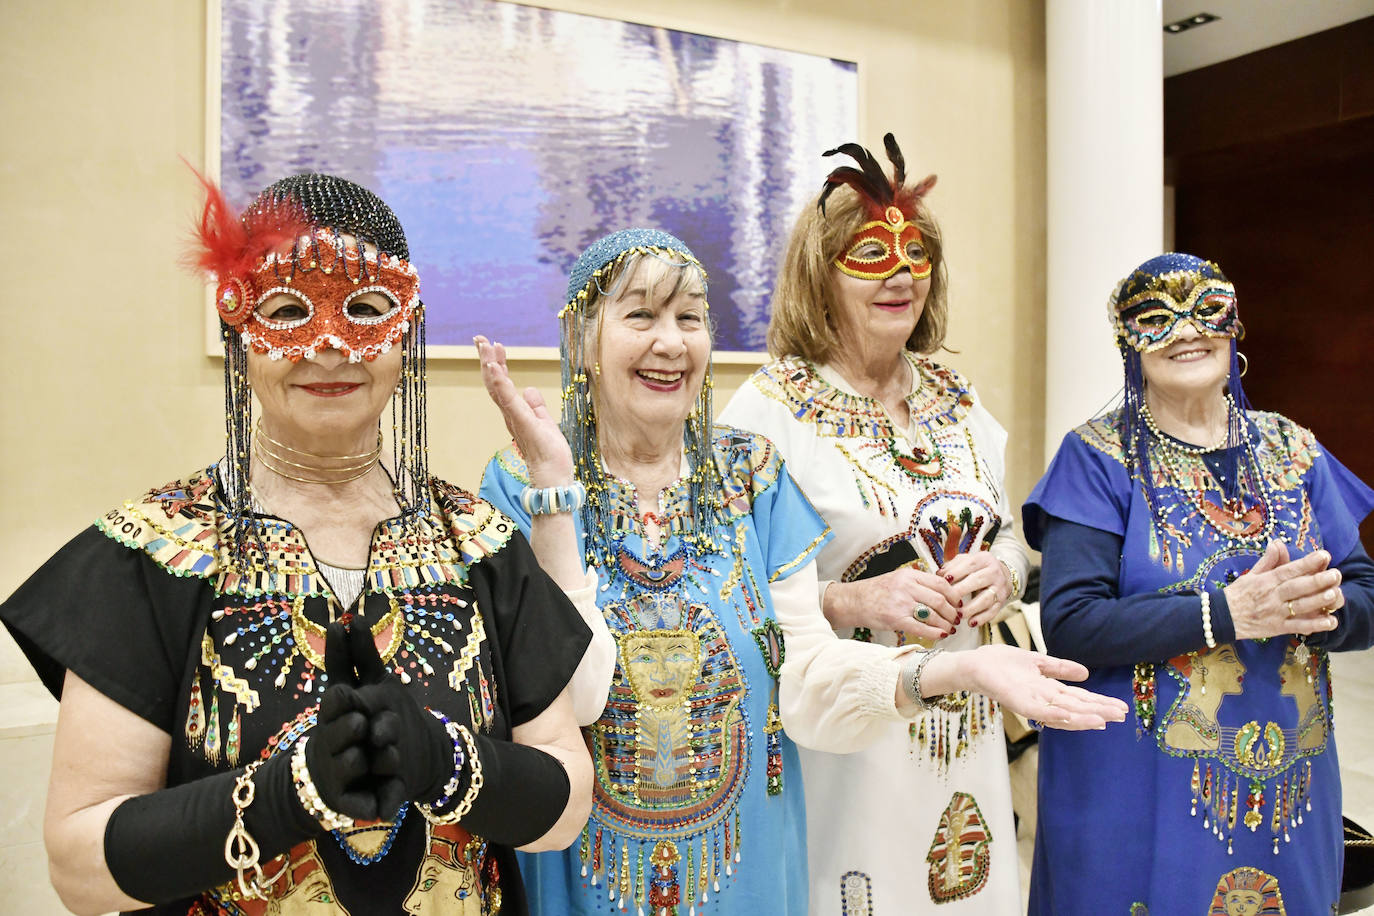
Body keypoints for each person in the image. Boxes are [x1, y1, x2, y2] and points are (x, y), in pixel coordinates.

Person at [476, 226, 1124, 915]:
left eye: (690, 317)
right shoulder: (521, 484)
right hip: (591, 871)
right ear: (581, 339)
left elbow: (807, 682)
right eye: (641, 315)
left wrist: (956, 671)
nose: (671, 342)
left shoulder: (752, 474)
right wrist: (554, 495)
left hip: (751, 864)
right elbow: (574, 700)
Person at [0, 173, 596, 915]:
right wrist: (281, 795)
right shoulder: (152, 555)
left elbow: (566, 805)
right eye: (287, 311)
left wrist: (446, 762)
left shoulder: (479, 545)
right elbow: (78, 868)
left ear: (405, 326)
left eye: (364, 311)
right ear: (237, 328)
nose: (328, 346)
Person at [718, 135, 1039, 913]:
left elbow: (1004, 537)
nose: (900, 274)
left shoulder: (957, 400)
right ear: (818, 274)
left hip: (965, 730)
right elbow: (726, 592)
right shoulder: (765, 415)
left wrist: (1004, 573)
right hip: (845, 740)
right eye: (870, 255)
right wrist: (849, 602)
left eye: (915, 255)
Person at [1021, 252, 1374, 913]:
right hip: (1132, 782)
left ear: (1235, 326)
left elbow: (1366, 594)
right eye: (1155, 318)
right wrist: (1228, 613)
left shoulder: (1293, 450)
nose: (1187, 331)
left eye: (1207, 310)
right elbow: (1070, 621)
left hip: (1287, 782)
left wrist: (1323, 607)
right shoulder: (1098, 456)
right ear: (1128, 341)